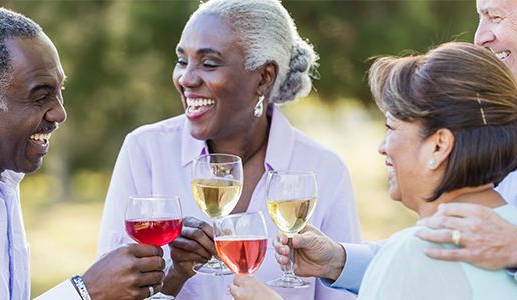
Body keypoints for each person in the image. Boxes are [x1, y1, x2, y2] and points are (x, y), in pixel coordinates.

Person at [96, 0, 361, 299]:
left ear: (264, 77)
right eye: (183, 61)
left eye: (208, 63)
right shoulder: (145, 152)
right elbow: (110, 292)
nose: (186, 79)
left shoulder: (324, 170)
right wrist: (176, 274)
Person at [236, 42, 517, 299]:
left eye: (391, 128)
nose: (383, 147)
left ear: (438, 146)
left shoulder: (416, 253)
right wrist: (337, 260)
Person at [0, 7, 165, 300]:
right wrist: (86, 292)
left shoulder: (2, 174)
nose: (59, 113)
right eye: (41, 96)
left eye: (59, 91)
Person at [415, 1, 517, 298]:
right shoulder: (496, 120)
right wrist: (342, 261)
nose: (480, 38)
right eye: (481, 18)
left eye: (495, 16)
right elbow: (440, 255)